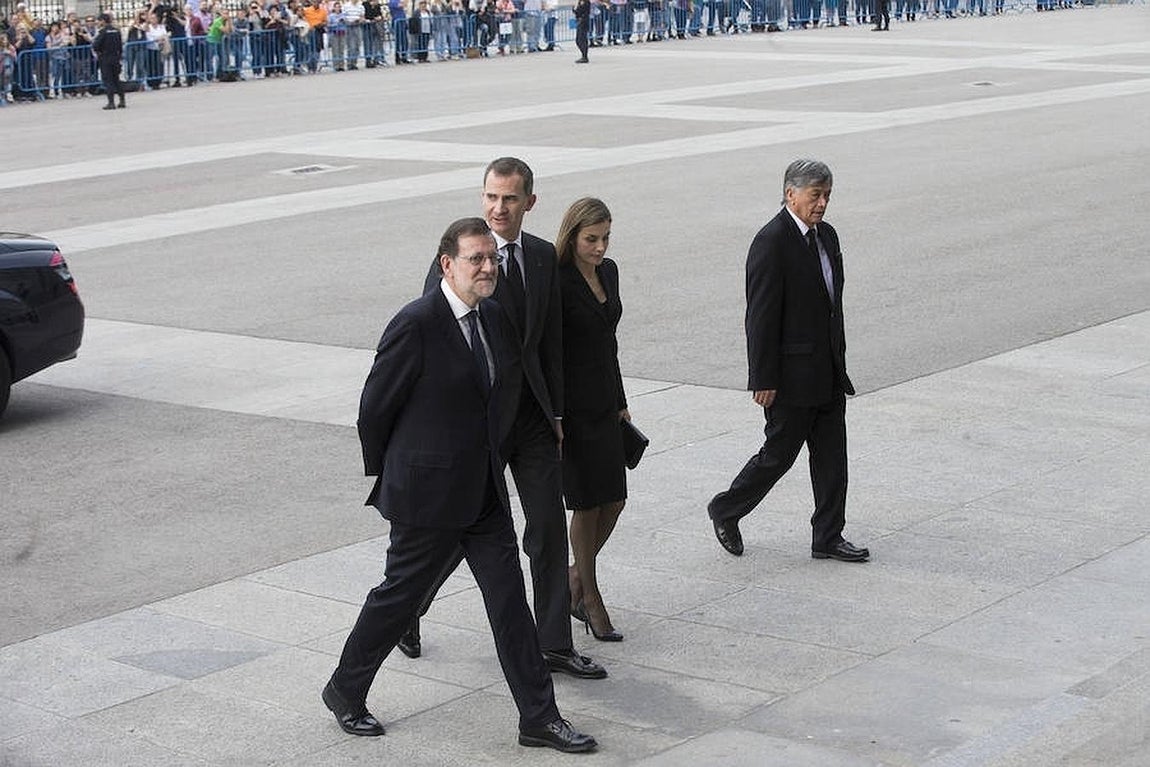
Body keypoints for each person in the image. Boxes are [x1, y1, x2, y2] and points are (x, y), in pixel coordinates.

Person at [323, 217, 597, 755]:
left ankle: (539, 718)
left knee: (510, 604)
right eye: (476, 259)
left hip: (482, 494)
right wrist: (401, 475)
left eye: (491, 259)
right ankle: (345, 688)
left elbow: (503, 393)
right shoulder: (417, 323)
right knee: (397, 599)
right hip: (427, 498)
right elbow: (374, 409)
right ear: (447, 265)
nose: (488, 268)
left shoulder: (493, 317)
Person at [409, 157, 608, 682]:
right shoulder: (458, 258)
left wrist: (558, 411)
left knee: (545, 527)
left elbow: (551, 343)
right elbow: (437, 341)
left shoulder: (542, 257)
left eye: (510, 199)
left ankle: (554, 645)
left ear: (529, 203)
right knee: (458, 530)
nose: (499, 208)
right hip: (479, 425)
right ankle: (410, 608)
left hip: (535, 420)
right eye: (491, 197)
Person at [708, 159, 869, 563]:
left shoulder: (827, 237)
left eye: (827, 195)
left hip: (828, 370)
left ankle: (828, 536)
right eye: (815, 195)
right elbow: (760, 316)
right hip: (791, 377)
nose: (823, 203)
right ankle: (726, 510)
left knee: (833, 458)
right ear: (790, 193)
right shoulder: (771, 242)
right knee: (778, 455)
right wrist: (763, 377)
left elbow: (833, 305)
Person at [555, 198, 628, 643]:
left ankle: (573, 581)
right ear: (573, 236)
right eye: (591, 239)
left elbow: (609, 341)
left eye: (604, 239)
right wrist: (556, 415)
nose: (599, 248)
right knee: (586, 503)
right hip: (574, 409)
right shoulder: (558, 280)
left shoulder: (610, 271)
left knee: (615, 501)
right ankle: (592, 598)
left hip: (606, 402)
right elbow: (553, 353)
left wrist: (620, 399)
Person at [91, 13, 125, 110]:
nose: (97, 22)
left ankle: (111, 102)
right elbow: (120, 45)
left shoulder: (103, 32)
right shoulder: (116, 31)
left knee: (108, 80)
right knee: (116, 79)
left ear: (103, 21)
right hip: (115, 57)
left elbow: (96, 45)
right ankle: (122, 100)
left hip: (105, 58)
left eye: (99, 20)